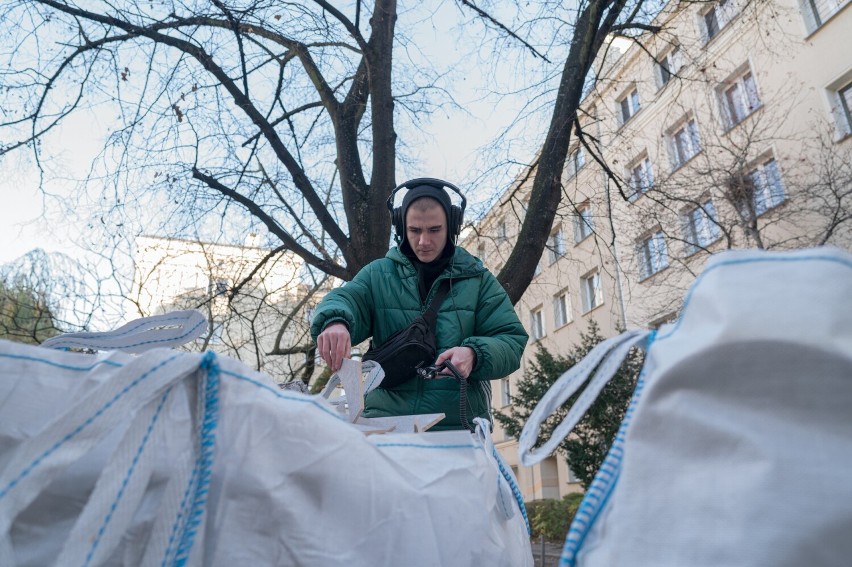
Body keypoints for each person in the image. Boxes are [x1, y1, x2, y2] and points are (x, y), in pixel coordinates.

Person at [310, 178, 528, 431]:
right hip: (386, 428)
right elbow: (346, 298)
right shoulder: (377, 274)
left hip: (458, 429)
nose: (424, 241)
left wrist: (475, 354)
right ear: (402, 227)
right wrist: (335, 321)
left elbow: (511, 341)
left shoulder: (478, 280)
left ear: (452, 227)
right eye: (415, 230)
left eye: (434, 230)